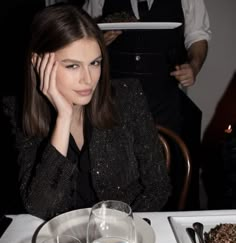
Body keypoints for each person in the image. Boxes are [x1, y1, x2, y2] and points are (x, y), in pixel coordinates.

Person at [2, 4, 170, 220]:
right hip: (64, 242)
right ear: (38, 62)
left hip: (123, 238)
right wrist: (63, 119)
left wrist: (122, 228)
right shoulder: (19, 112)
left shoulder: (127, 98)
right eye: (72, 66)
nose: (88, 79)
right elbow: (40, 207)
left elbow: (158, 186)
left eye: (95, 63)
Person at [81, 0, 212, 210]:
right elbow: (82, 33)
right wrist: (97, 42)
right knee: (114, 170)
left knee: (166, 172)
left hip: (163, 99)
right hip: (113, 99)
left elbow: (198, 36)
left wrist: (194, 66)